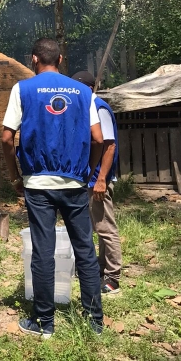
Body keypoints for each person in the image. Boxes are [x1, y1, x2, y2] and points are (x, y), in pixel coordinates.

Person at [1, 38, 104, 338]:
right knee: (84, 249)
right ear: (60, 59)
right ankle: (94, 321)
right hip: (74, 181)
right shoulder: (84, 92)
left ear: (34, 59)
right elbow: (98, 138)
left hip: (37, 184)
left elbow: (7, 138)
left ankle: (44, 323)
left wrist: (15, 177)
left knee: (43, 251)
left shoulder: (22, 89)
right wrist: (86, 171)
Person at [72, 71, 122, 295]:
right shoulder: (86, 108)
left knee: (105, 228)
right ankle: (101, 269)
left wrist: (101, 179)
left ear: (90, 89)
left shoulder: (99, 107)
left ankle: (113, 276)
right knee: (98, 228)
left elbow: (108, 145)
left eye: (80, 89)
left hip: (98, 179)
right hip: (89, 178)